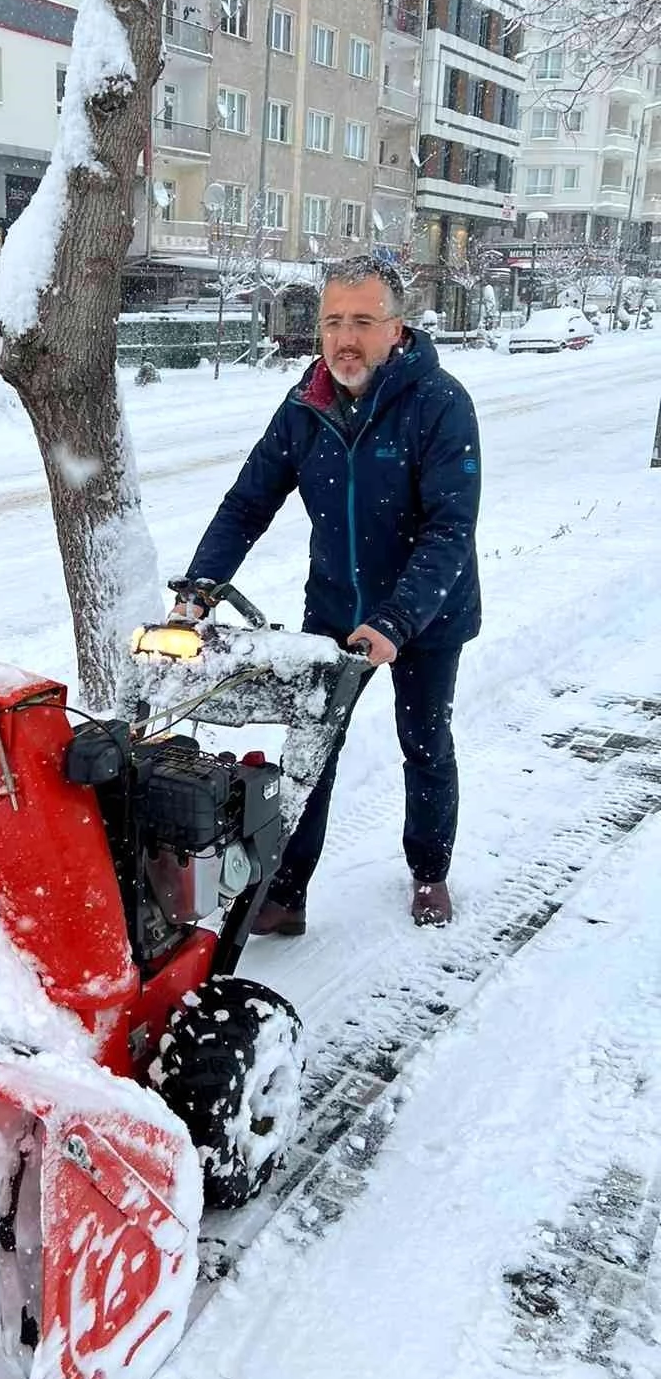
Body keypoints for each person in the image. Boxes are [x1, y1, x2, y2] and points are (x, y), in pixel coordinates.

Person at [173, 255, 481, 932]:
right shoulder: (305, 407)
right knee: (312, 748)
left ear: (397, 329)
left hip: (425, 617)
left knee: (424, 740)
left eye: (363, 322)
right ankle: (285, 892)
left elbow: (449, 532)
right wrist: (200, 587)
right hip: (336, 609)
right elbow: (247, 503)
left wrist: (397, 620)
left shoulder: (440, 404)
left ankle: (429, 873)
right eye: (333, 321)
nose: (345, 338)